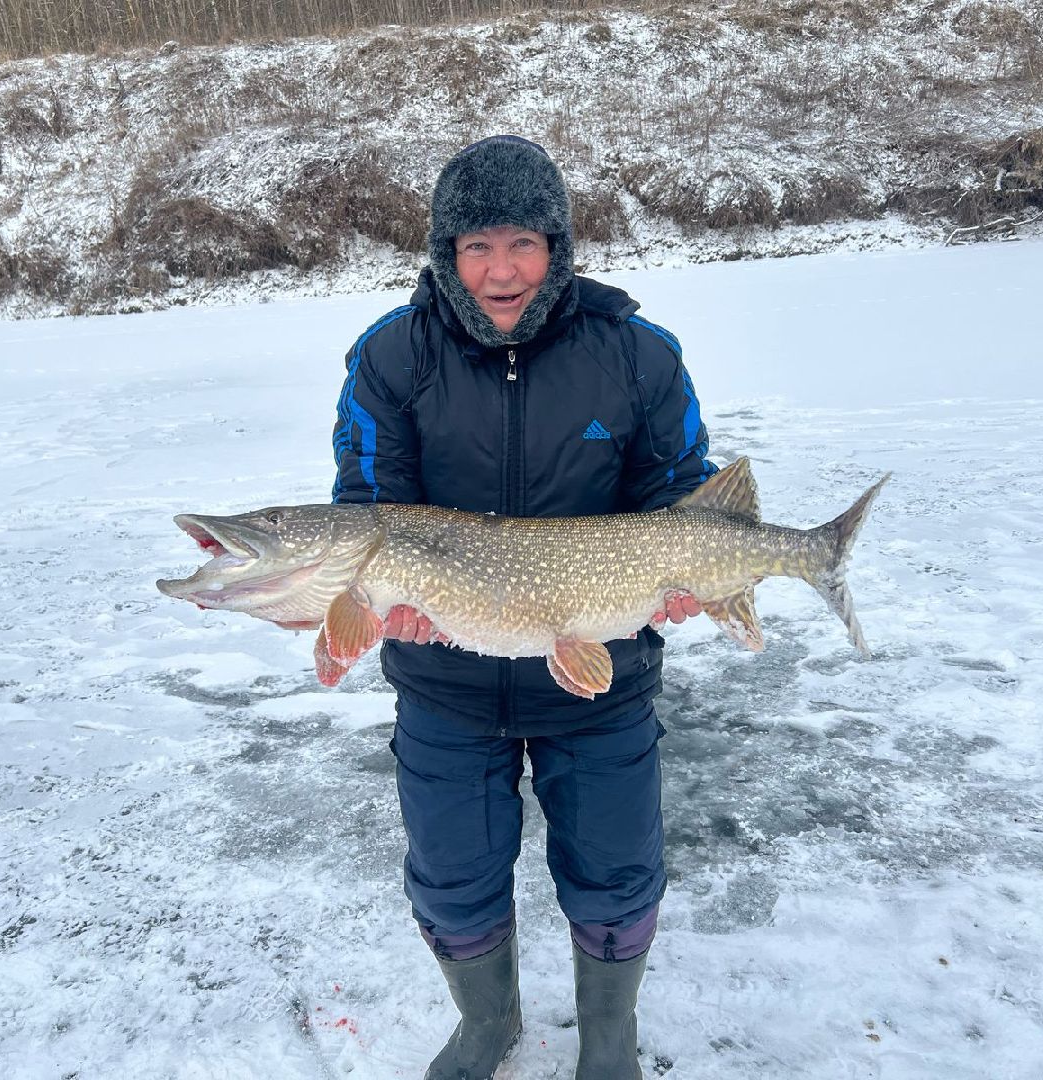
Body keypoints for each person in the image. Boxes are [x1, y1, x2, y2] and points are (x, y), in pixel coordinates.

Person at [331, 135, 715, 1080]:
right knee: (453, 880)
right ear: (444, 253)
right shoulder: (393, 355)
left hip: (602, 675)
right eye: (475, 246)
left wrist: (690, 574)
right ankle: (486, 1025)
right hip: (446, 681)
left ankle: (609, 1038)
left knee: (617, 876)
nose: (500, 271)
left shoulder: (635, 354)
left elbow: (681, 493)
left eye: (522, 245)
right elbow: (369, 510)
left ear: (558, 247)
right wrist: (391, 601)